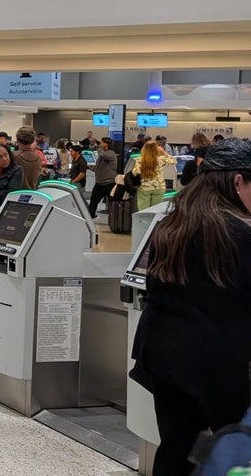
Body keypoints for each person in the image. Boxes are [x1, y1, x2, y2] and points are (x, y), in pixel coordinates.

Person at [130, 138, 251, 476]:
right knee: (234, 448)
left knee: (176, 447)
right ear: (238, 181)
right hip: (217, 362)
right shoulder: (239, 233)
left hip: (162, 356)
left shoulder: (173, 223)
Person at [133, 139, 176, 210]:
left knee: (143, 211)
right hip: (159, 187)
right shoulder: (161, 159)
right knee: (156, 210)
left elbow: (136, 172)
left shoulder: (140, 159)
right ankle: (155, 221)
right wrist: (163, 152)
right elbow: (173, 161)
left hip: (144, 187)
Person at [88, 137, 118, 218]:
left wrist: (99, 148)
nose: (99, 144)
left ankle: (114, 217)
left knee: (112, 202)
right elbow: (100, 163)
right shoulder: (103, 154)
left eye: (101, 143)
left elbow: (102, 155)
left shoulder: (111, 153)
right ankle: (91, 215)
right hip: (99, 183)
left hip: (109, 183)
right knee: (93, 201)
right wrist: (93, 168)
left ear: (106, 144)